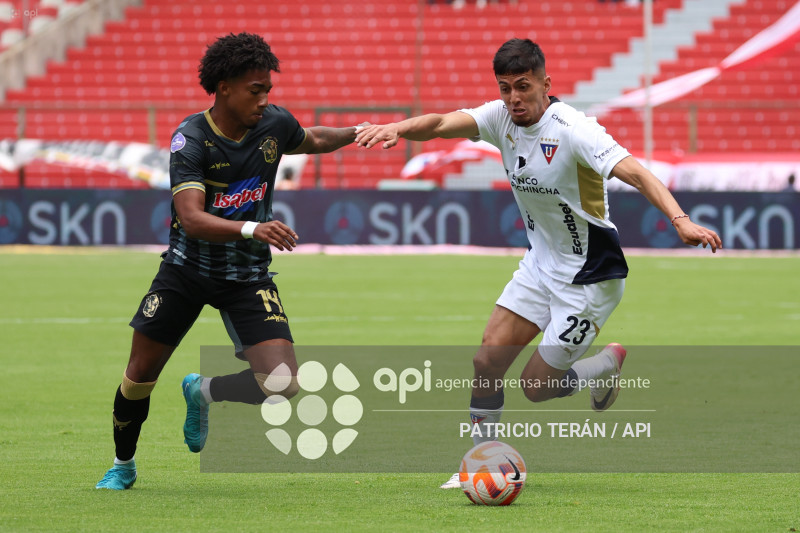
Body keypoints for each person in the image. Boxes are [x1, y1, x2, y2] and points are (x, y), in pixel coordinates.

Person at [356, 38, 722, 489]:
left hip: (589, 278)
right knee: (486, 361)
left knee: (536, 387)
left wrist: (680, 220)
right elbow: (439, 122)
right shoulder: (498, 117)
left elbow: (638, 173)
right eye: (505, 87)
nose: (513, 98)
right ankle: (480, 461)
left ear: (546, 84)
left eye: (523, 87)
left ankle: (601, 366)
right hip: (539, 264)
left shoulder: (575, 130)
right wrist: (398, 127)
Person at [96, 32, 365, 490]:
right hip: (185, 271)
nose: (264, 100)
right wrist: (253, 228)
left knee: (282, 383)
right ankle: (123, 465)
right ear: (224, 87)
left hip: (246, 275)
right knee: (139, 375)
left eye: (268, 90)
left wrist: (363, 133)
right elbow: (192, 218)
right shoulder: (192, 139)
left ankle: (202, 391)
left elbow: (314, 138)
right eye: (255, 90)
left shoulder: (274, 125)